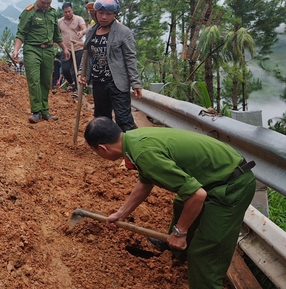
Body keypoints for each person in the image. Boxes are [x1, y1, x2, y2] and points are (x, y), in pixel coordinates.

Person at [84, 117, 256, 289]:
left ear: (102, 148)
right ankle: (176, 251)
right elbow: (145, 183)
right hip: (216, 176)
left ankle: (201, 273)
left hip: (232, 186)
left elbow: (197, 195)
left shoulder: (143, 153)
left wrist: (180, 232)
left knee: (204, 254)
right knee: (181, 203)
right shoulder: (134, 139)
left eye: (95, 151)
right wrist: (121, 214)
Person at [78, 0, 142, 132]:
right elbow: (87, 55)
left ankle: (129, 148)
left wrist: (135, 82)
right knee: (101, 117)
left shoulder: (123, 32)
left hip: (117, 82)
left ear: (115, 14)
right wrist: (82, 74)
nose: (104, 17)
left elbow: (130, 58)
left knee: (123, 118)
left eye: (108, 14)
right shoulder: (91, 31)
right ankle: (106, 146)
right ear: (96, 13)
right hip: (98, 81)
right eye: (101, 13)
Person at [12, 0, 70, 123]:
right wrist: (16, 50)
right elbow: (21, 33)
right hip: (32, 50)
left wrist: (65, 49)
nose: (45, 5)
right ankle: (36, 111)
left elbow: (57, 34)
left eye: (48, 3)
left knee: (45, 81)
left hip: (49, 50)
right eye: (43, 2)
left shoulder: (52, 13)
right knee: (34, 80)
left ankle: (45, 111)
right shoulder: (29, 12)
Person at [58, 2, 87, 92]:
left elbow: (85, 29)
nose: (67, 14)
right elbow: (57, 34)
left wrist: (81, 32)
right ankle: (72, 83)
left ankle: (78, 87)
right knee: (65, 69)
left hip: (78, 48)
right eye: (65, 12)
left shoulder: (78, 19)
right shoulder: (59, 22)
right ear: (63, 12)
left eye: (69, 11)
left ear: (72, 10)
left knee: (78, 69)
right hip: (66, 49)